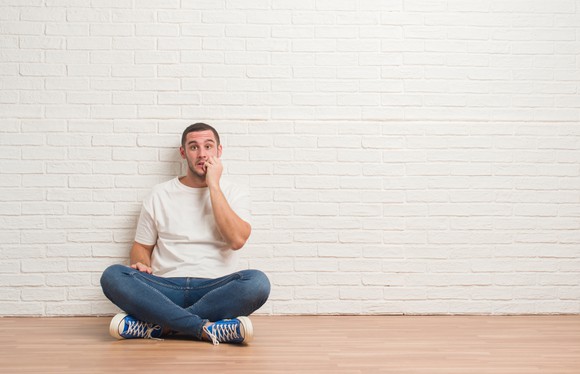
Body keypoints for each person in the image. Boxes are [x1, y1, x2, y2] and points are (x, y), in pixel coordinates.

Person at [100, 123, 270, 345]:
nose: (202, 154)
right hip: (164, 288)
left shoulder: (235, 192)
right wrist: (141, 263)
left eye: (208, 146)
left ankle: (161, 326)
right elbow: (141, 247)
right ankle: (203, 329)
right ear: (183, 153)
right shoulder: (159, 194)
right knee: (113, 276)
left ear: (219, 151)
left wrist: (214, 186)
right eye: (193, 147)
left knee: (257, 282)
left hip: (214, 289)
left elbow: (237, 240)